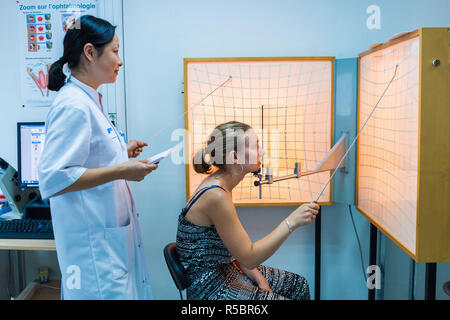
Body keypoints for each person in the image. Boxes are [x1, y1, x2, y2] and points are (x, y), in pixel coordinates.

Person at [38, 15, 158, 300]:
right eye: (115, 51)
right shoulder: (73, 106)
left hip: (108, 248)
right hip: (94, 258)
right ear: (90, 52)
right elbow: (53, 178)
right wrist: (120, 171)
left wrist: (120, 152)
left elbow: (86, 158)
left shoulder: (89, 100)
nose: (120, 60)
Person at [176, 121, 320, 300]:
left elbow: (237, 250)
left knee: (297, 285)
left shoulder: (221, 186)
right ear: (235, 157)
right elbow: (250, 257)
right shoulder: (216, 196)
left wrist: (260, 280)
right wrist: (291, 222)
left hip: (227, 270)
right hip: (210, 288)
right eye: (256, 145)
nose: (263, 152)